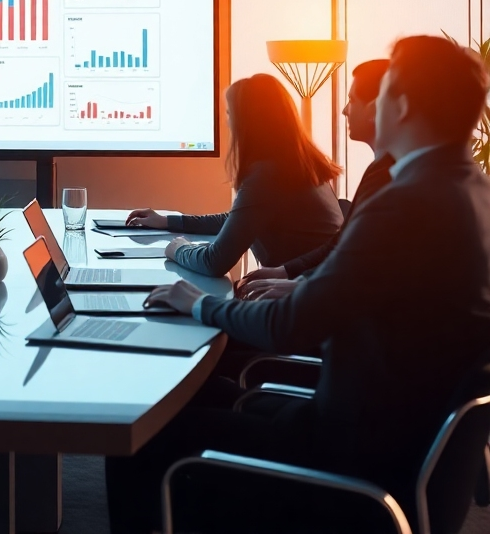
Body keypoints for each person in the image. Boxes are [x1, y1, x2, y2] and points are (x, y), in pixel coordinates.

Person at [109, 35, 490, 533]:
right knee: (204, 395)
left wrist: (198, 305)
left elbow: (289, 324)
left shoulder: (405, 205)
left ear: (401, 104)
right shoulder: (471, 192)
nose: (366, 106)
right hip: (400, 446)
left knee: (138, 436)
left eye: (382, 91)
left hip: (346, 460)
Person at [125, 73, 343, 277]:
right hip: (314, 291)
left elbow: (214, 262)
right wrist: (166, 221)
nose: (227, 123)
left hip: (298, 302)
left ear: (248, 123)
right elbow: (238, 219)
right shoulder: (298, 167)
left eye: (230, 114)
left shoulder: (267, 177)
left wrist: (178, 249)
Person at [237, 58, 394, 301]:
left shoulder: (393, 179)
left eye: (352, 100)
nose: (344, 109)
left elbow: (377, 273)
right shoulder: (379, 170)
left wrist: (302, 285)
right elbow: (339, 247)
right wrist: (286, 272)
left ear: (375, 109)